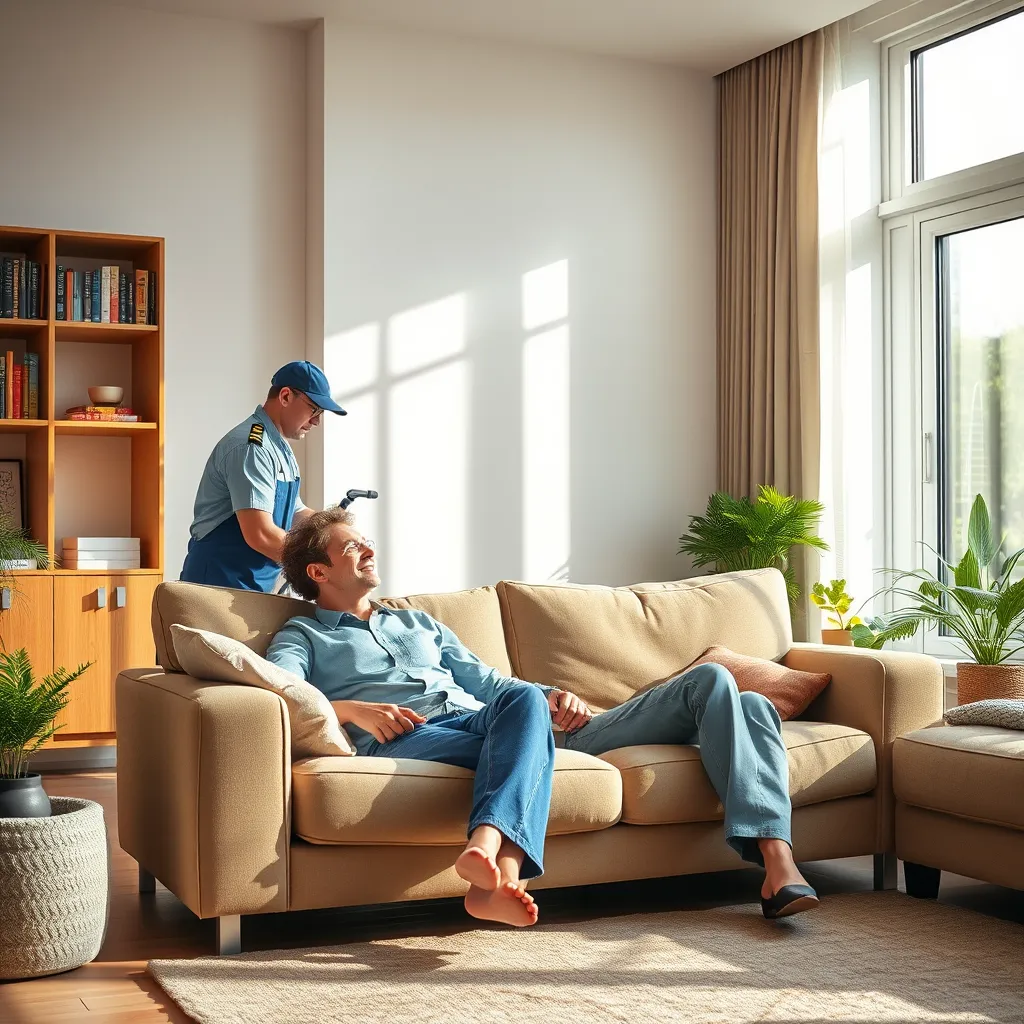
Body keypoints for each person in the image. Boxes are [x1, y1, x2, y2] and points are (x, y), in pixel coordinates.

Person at [265, 507, 819, 927]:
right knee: (526, 710)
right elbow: (278, 690)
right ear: (318, 570)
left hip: (507, 727)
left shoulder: (420, 624)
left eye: (367, 541)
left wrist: (555, 695)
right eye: (352, 546)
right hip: (412, 737)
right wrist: (348, 709)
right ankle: (495, 867)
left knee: (724, 687)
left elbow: (492, 685)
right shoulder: (304, 635)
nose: (368, 550)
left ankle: (776, 861)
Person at [180, 361, 346, 592]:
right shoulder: (252, 448)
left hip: (253, 585)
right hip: (219, 584)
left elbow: (295, 513)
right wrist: (324, 567)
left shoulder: (280, 449)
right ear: (286, 396)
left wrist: (337, 532)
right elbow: (261, 535)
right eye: (314, 409)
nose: (317, 420)